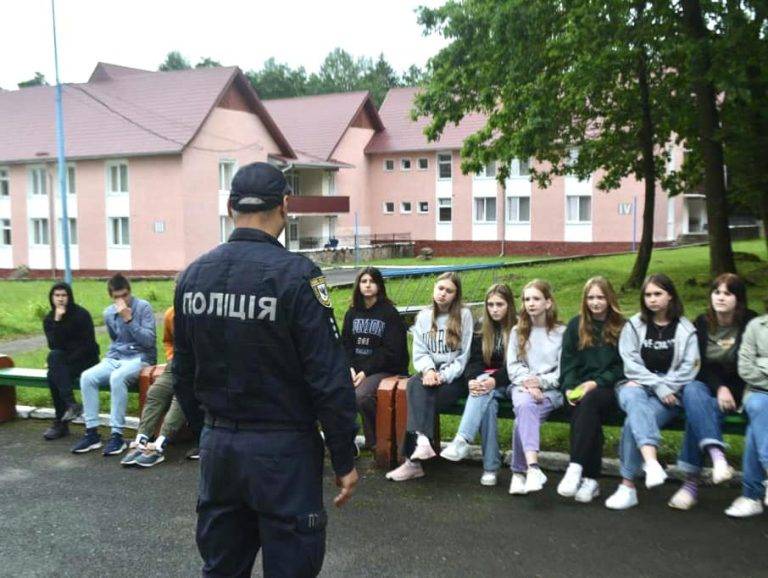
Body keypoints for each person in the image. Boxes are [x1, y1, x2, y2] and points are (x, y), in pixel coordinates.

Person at [172, 162, 358, 577]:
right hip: (283, 454)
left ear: (230, 205)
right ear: (285, 207)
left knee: (222, 567)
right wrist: (344, 456)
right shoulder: (298, 277)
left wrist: (209, 428)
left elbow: (181, 371)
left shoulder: (192, 277)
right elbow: (328, 377)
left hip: (220, 449)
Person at [605, 274, 699, 510]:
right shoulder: (635, 325)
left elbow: (689, 368)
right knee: (634, 399)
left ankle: (628, 486)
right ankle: (651, 462)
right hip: (634, 386)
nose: (652, 299)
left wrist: (664, 387)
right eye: (648, 295)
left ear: (670, 296)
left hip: (670, 394)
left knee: (632, 423)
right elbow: (631, 363)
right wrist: (655, 384)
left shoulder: (686, 329)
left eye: (658, 294)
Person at [669, 273, 757, 510]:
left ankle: (690, 484)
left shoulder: (750, 323)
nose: (721, 297)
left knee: (697, 414)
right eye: (717, 292)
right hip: (709, 386)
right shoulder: (702, 322)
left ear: (738, 299)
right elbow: (699, 365)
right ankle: (718, 456)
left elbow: (748, 366)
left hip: (741, 387)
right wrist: (719, 388)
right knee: (693, 392)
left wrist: (728, 389)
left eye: (728, 293)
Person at [385, 272, 474, 482]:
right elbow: (420, 352)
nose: (443, 294)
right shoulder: (424, 316)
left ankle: (412, 462)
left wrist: (441, 376)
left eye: (449, 291)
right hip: (428, 376)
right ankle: (423, 441)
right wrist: (428, 371)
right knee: (414, 384)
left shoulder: (464, 315)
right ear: (434, 289)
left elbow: (463, 357)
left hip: (453, 379)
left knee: (420, 399)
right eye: (440, 288)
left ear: (456, 295)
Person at [71, 274, 157, 456]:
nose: (122, 300)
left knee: (117, 378)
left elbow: (149, 341)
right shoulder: (108, 313)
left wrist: (129, 320)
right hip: (117, 357)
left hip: (141, 358)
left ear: (130, 291)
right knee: (87, 377)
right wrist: (111, 358)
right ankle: (92, 432)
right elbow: (116, 340)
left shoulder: (143, 307)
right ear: (111, 296)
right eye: (117, 297)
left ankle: (117, 435)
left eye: (125, 295)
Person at [440, 283, 516, 487]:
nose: (494, 309)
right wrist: (472, 380)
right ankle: (490, 468)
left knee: (484, 389)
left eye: (499, 304)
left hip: (511, 384)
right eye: (490, 304)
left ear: (509, 305)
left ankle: (462, 439)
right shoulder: (482, 326)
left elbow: (517, 365)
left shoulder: (518, 327)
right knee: (487, 405)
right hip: (485, 386)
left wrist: (493, 380)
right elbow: (473, 361)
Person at [557, 277, 625, 503]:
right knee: (585, 409)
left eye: (600, 297)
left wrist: (596, 382)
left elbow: (622, 367)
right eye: (591, 297)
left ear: (609, 298)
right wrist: (568, 387)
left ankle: (575, 467)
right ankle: (590, 480)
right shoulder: (576, 325)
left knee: (591, 401)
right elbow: (568, 363)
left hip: (608, 388)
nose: (595, 302)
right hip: (578, 389)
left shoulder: (621, 326)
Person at [507, 279, 566, 495]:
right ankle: (533, 468)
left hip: (550, 391)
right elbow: (513, 367)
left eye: (536, 299)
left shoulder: (562, 333)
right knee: (524, 406)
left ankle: (519, 472)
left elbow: (562, 372)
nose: (530, 303)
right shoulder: (517, 331)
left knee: (521, 419)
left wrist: (540, 383)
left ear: (548, 303)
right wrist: (529, 383)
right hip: (522, 388)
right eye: (526, 299)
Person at [341, 267, 409, 451]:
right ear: (358, 286)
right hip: (357, 370)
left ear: (379, 285)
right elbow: (345, 345)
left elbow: (391, 352)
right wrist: (350, 368)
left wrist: (365, 371)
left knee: (361, 396)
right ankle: (344, 442)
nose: (368, 285)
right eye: (364, 281)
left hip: (385, 369)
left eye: (372, 281)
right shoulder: (351, 313)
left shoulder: (389, 313)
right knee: (334, 391)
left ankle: (377, 442)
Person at [120, 304, 189, 468]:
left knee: (179, 397)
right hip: (174, 365)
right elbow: (167, 341)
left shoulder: (199, 314)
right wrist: (172, 356)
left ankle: (159, 445)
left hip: (194, 368)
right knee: (155, 392)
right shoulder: (170, 313)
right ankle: (141, 439)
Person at [41, 282, 100, 440]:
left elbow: (89, 345)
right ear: (52, 298)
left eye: (64, 295)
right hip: (64, 362)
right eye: (57, 296)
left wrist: (63, 364)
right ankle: (71, 405)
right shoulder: (50, 319)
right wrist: (58, 320)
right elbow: (54, 345)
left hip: (86, 359)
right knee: (54, 362)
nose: (60, 299)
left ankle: (61, 422)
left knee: (54, 371)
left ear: (69, 297)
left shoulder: (81, 314)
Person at [725, 304, 768, 518]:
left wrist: (763, 364)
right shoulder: (756, 326)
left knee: (755, 427)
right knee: (759, 407)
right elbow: (745, 367)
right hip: (759, 391)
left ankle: (751, 496)